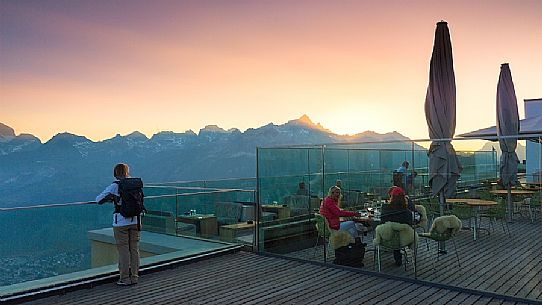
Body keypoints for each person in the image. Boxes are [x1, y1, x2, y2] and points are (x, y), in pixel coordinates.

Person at [96, 163, 141, 286]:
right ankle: (135, 277)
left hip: (121, 221)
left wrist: (111, 198)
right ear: (127, 172)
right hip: (135, 220)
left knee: (123, 250)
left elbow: (98, 199)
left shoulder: (115, 186)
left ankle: (125, 278)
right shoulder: (135, 184)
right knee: (134, 249)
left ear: (115, 173)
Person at [380, 186, 414, 266]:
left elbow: (382, 223)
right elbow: (409, 226)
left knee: (392, 232)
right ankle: (398, 257)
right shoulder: (407, 213)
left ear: (391, 197)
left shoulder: (385, 209)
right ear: (404, 198)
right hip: (403, 240)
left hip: (386, 239)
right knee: (397, 233)